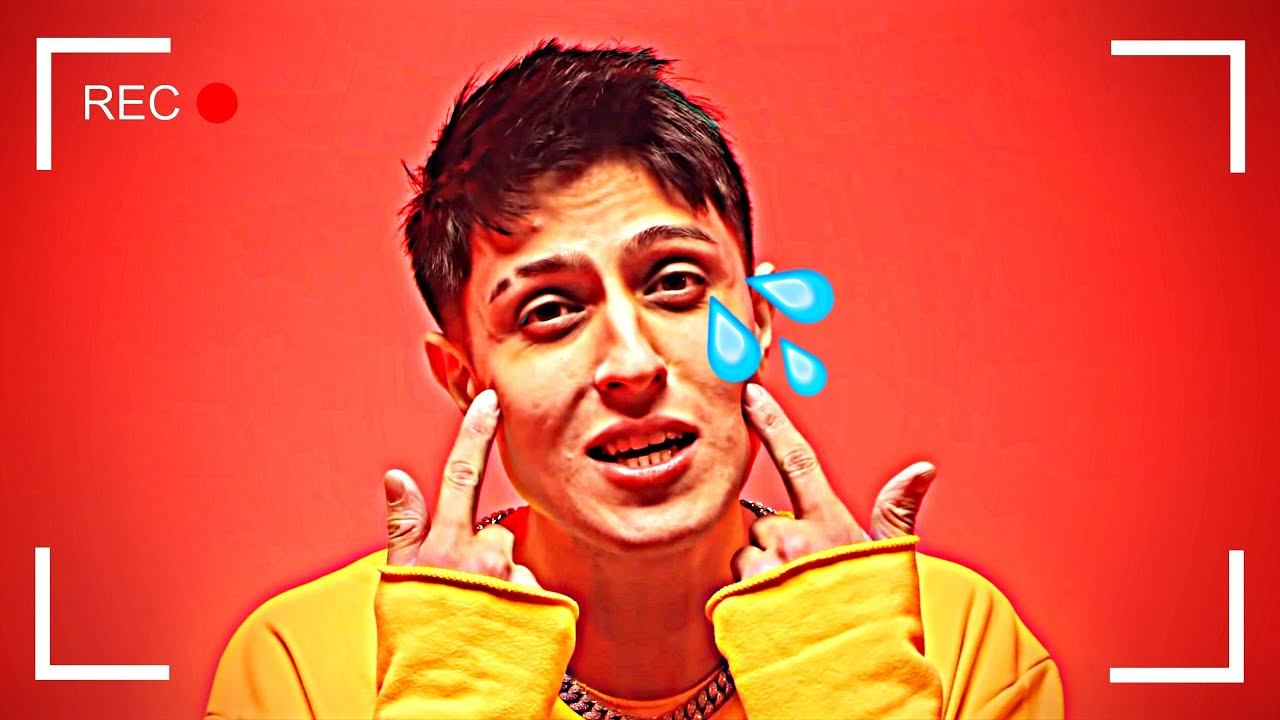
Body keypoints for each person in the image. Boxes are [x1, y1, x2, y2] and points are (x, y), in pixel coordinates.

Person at [205, 40, 1064, 719]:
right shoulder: (303, 667)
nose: (631, 364)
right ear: (463, 377)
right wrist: (459, 687)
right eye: (549, 310)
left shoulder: (950, 640)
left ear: (759, 321)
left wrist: (845, 680)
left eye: (675, 283)